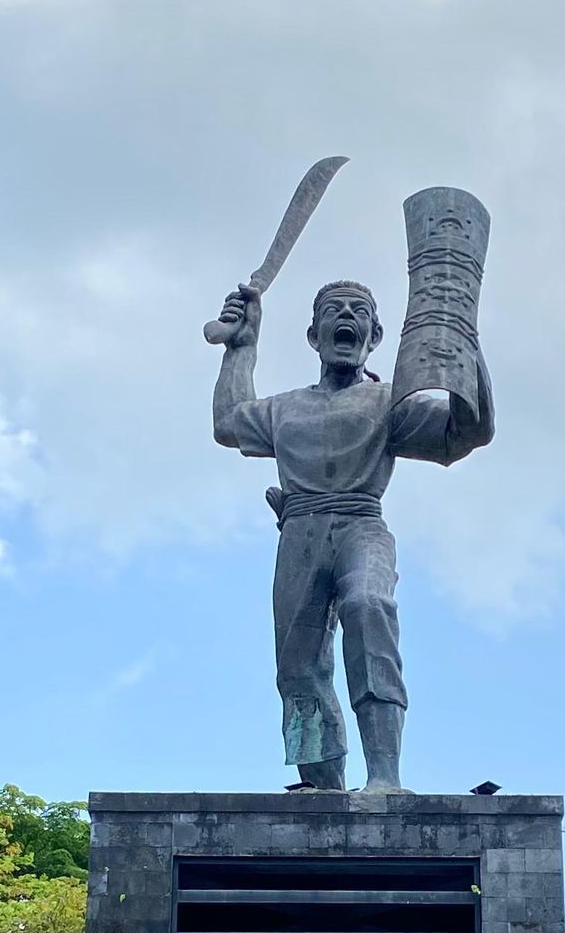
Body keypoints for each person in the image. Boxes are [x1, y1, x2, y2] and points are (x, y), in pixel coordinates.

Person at [209, 273, 493, 792]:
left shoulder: (389, 401)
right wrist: (241, 348)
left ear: (375, 335)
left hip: (362, 521)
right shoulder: (284, 407)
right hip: (300, 532)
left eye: (358, 311)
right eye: (334, 311)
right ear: (314, 336)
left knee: (368, 606)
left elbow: (463, 434)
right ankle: (323, 787)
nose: (346, 317)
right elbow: (229, 423)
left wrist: (466, 355)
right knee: (297, 665)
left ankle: (385, 777)